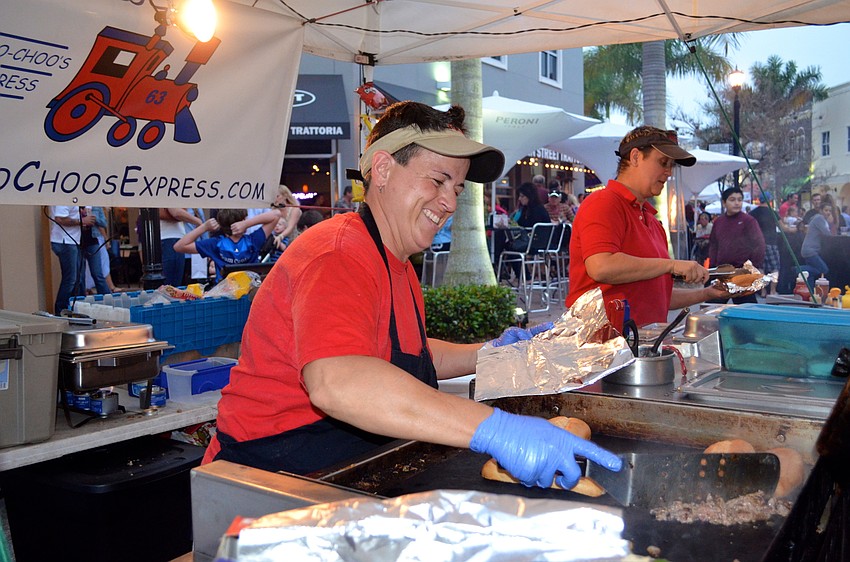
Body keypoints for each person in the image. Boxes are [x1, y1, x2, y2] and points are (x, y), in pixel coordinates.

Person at [201, 100, 622, 487]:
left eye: (456, 189)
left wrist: (493, 353)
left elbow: (407, 355)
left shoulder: (394, 259)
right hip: (265, 478)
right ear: (382, 169)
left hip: (340, 468)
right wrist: (494, 428)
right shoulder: (338, 252)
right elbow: (338, 382)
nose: (449, 202)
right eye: (438, 180)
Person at [565, 126, 730, 327]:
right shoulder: (603, 202)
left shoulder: (652, 220)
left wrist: (707, 293)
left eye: (671, 166)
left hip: (643, 343)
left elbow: (658, 296)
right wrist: (672, 264)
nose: (668, 172)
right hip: (602, 345)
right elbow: (601, 266)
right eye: (663, 163)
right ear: (635, 157)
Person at [174, 208, 280, 281]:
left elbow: (179, 246)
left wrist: (204, 227)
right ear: (241, 221)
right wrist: (247, 224)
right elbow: (276, 214)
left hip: (224, 294)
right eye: (245, 219)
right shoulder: (253, 240)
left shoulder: (215, 243)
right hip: (249, 292)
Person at [707, 187, 766, 304]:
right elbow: (713, 244)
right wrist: (713, 266)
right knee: (712, 308)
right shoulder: (719, 222)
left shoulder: (748, 221)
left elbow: (759, 244)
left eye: (739, 199)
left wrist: (752, 266)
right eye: (732, 199)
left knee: (746, 310)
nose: (737, 203)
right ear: (724, 202)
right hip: (722, 273)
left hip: (741, 273)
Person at [49, 206, 110, 314]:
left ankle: (77, 309)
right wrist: (81, 221)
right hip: (65, 241)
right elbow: (59, 218)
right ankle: (60, 311)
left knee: (77, 278)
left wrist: (81, 215)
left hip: (73, 241)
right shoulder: (65, 196)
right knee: (71, 279)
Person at [159, 208, 203, 286]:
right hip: (170, 238)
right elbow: (176, 212)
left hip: (167, 238)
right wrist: (198, 222)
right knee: (172, 285)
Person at [801, 199, 836, 278]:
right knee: (824, 270)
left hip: (810, 249)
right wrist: (830, 223)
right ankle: (798, 269)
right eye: (826, 210)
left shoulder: (820, 219)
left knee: (810, 274)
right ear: (821, 210)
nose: (828, 213)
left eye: (830, 211)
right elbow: (827, 234)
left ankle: (811, 288)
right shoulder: (819, 219)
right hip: (811, 250)